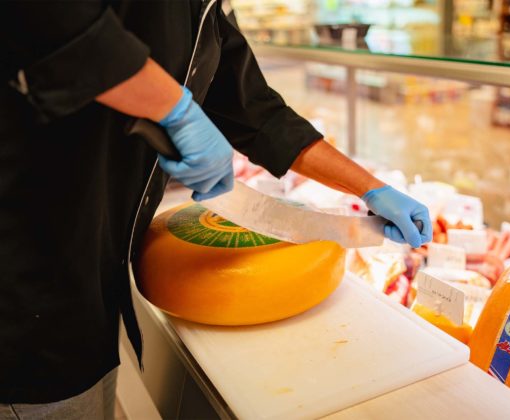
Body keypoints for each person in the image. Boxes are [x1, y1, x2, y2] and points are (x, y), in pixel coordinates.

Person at [0, 1, 432, 418]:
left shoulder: (204, 9)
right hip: (28, 282)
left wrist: (371, 188)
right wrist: (177, 110)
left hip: (88, 281)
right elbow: (52, 19)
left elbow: (258, 112)